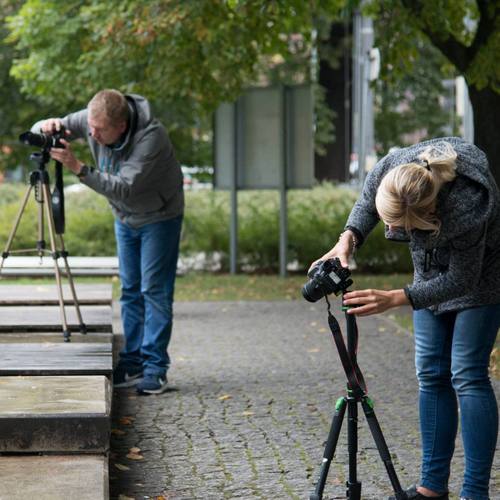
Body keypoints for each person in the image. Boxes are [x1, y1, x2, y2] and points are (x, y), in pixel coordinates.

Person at [312, 137, 499, 500]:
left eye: (401, 228)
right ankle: (432, 487)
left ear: (428, 217)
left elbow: (463, 279)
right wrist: (348, 237)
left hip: (482, 278)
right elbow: (369, 202)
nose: (395, 233)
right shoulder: (393, 169)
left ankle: (475, 492)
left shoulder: (466, 205)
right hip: (429, 277)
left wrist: (397, 298)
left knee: (467, 374)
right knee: (430, 371)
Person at [34, 89, 184, 395]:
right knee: (130, 290)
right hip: (125, 219)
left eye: (99, 130)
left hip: (159, 216)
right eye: (89, 126)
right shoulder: (95, 116)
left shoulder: (151, 137)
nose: (91, 133)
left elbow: (124, 187)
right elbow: (39, 131)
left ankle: (155, 368)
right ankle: (132, 362)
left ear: (122, 127)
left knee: (153, 290)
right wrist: (47, 125)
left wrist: (78, 167)